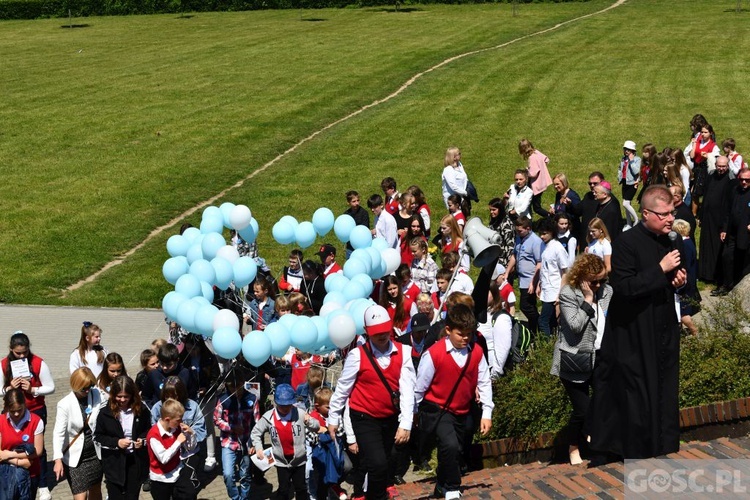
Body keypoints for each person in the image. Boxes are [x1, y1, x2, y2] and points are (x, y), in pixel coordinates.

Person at [588, 185, 687, 460]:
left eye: (672, 212)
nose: (670, 219)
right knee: (637, 391)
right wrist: (660, 270)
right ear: (645, 213)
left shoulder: (673, 241)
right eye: (664, 214)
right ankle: (637, 448)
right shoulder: (626, 243)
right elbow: (624, 287)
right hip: (634, 332)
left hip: (664, 326)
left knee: (665, 386)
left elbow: (676, 280)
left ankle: (663, 442)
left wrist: (679, 281)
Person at [327, 305, 416, 500]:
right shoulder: (357, 355)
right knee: (377, 463)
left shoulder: (404, 352)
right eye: (376, 333)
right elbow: (343, 389)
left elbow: (409, 391)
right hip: (364, 415)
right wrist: (333, 417)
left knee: (387, 462)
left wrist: (406, 423)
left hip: (390, 415)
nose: (382, 336)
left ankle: (376, 495)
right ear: (367, 332)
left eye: (385, 330)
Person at [415, 304, 493, 500]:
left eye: (469, 334)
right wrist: (413, 413)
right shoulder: (433, 354)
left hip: (462, 409)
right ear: (448, 330)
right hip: (439, 409)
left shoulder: (476, 352)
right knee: (449, 445)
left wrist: (487, 413)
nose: (465, 338)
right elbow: (420, 386)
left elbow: (484, 382)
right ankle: (452, 487)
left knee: (455, 449)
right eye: (460, 334)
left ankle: (441, 485)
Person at [550, 253, 612, 465]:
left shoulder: (607, 291)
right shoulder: (569, 293)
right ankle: (574, 445)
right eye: (593, 281)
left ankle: (599, 444)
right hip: (574, 358)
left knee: (605, 402)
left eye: (601, 280)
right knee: (582, 410)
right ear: (582, 277)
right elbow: (575, 325)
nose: (598, 285)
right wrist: (587, 300)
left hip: (600, 356)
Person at [1, 331, 55, 500]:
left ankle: (43, 484)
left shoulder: (38, 363)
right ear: (11, 350)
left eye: (25, 352)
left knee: (38, 449)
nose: (22, 356)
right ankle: (11, 474)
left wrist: (33, 390)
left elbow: (51, 387)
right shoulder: (4, 364)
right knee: (11, 442)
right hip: (11, 409)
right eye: (18, 353)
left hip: (35, 409)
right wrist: (9, 388)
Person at [252, 383, 320, 500]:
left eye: (288, 405)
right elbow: (256, 432)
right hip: (281, 461)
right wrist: (258, 448)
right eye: (282, 406)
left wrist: (309, 421)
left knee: (301, 488)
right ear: (276, 403)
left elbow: (316, 426)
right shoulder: (269, 417)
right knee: (283, 489)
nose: (285, 408)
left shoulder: (300, 413)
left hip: (299, 460)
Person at [94, 375, 151, 500]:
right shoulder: (105, 413)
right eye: (119, 396)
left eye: (126, 396)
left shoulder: (141, 409)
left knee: (132, 496)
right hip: (114, 462)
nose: (122, 399)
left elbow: (149, 430)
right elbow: (98, 437)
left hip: (135, 462)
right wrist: (117, 442)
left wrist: (142, 440)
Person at [52, 367, 103, 500]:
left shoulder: (96, 394)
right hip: (76, 458)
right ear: (75, 385)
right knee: (80, 496)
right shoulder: (64, 404)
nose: (87, 391)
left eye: (90, 386)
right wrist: (57, 459)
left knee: (96, 491)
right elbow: (58, 433)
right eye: (83, 388)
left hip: (95, 454)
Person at [149, 377, 204, 498]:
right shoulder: (156, 413)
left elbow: (193, 443)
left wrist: (191, 433)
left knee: (188, 492)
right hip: (164, 469)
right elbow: (163, 457)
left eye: (175, 396)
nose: (172, 400)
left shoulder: (193, 406)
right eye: (167, 396)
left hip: (183, 460)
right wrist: (178, 441)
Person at [214, 371, 258, 500]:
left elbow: (256, 423)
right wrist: (231, 428)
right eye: (232, 387)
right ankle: (235, 497)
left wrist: (254, 443)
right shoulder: (223, 399)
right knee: (228, 474)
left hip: (246, 442)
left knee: (245, 474)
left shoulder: (252, 398)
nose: (235, 390)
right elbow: (216, 419)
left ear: (243, 384)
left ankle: (244, 496)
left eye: (238, 386)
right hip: (229, 442)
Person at [146, 398, 198, 499]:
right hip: (161, 478)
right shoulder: (154, 435)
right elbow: (164, 459)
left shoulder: (176, 428)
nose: (181, 422)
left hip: (177, 470)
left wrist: (191, 434)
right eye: (178, 420)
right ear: (167, 419)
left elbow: (190, 448)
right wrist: (178, 442)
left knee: (190, 494)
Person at [499, 217, 542, 334]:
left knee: (525, 306)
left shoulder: (535, 241)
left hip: (531, 279)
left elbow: (539, 262)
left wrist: (534, 282)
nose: (518, 233)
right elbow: (514, 255)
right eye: (516, 231)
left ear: (528, 228)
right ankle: (535, 330)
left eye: (520, 231)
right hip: (522, 278)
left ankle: (539, 325)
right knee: (529, 305)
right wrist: (507, 271)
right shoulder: (519, 238)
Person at [0, 388, 45, 500]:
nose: (16, 414)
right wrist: (21, 462)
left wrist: (10, 455)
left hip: (30, 476)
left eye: (19, 410)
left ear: (24, 404)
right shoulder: (1, 421)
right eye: (12, 410)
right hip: (5, 475)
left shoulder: (36, 421)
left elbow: (38, 451)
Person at [698, 155, 732, 291]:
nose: (721, 169)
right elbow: (706, 196)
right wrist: (701, 215)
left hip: (719, 220)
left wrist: (724, 225)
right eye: (719, 166)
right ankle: (704, 273)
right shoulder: (711, 177)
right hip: (707, 217)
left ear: (727, 166)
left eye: (724, 166)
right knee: (706, 244)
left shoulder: (730, 181)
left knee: (716, 247)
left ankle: (714, 274)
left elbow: (728, 204)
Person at [537, 218, 569, 337]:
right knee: (551, 321)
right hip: (546, 289)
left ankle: (546, 346)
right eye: (540, 233)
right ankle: (552, 343)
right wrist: (539, 284)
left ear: (552, 232)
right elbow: (544, 268)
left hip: (554, 290)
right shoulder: (544, 246)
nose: (542, 236)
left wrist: (560, 293)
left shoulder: (558, 248)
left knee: (543, 320)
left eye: (544, 233)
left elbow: (565, 272)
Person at [720, 167, 750, 292]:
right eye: (742, 180)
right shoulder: (735, 191)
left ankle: (741, 286)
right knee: (727, 256)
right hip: (732, 231)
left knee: (743, 258)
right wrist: (724, 229)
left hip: (746, 232)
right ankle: (727, 284)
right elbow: (727, 211)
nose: (744, 182)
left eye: (747, 180)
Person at [565, 171, 606, 253]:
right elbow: (578, 211)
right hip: (585, 236)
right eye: (590, 184)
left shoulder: (605, 199)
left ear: (603, 182)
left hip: (598, 237)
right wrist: (570, 204)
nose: (592, 186)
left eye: (595, 183)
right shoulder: (588, 196)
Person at [673, 219, 699, 336]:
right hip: (688, 279)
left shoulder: (685, 245)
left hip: (685, 281)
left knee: (683, 311)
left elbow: (686, 265)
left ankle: (694, 331)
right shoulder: (688, 242)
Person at [690, 123, 720, 215]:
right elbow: (692, 155)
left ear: (710, 133)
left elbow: (716, 159)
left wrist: (707, 156)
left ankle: (698, 213)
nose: (703, 134)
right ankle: (694, 212)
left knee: (699, 192)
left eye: (705, 132)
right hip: (696, 168)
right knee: (694, 191)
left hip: (705, 170)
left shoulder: (713, 146)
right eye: (702, 132)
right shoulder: (698, 142)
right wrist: (694, 144)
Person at [518, 138, 552, 218]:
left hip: (536, 186)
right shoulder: (537, 152)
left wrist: (527, 171)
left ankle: (550, 216)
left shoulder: (532, 158)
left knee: (536, 208)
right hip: (543, 182)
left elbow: (533, 174)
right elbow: (547, 160)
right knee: (529, 202)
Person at [618, 140, 641, 228]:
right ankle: (628, 223)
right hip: (625, 183)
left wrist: (631, 161)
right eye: (625, 149)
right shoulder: (623, 159)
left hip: (632, 184)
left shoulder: (637, 159)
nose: (626, 151)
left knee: (625, 203)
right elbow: (620, 168)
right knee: (627, 204)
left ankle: (636, 220)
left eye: (628, 149)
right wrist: (619, 176)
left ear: (633, 151)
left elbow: (636, 171)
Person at [344, 191, 371, 259]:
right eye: (354, 201)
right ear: (348, 202)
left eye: (358, 200)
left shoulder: (364, 213)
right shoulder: (346, 215)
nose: (357, 203)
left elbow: (365, 229)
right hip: (350, 247)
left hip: (361, 246)